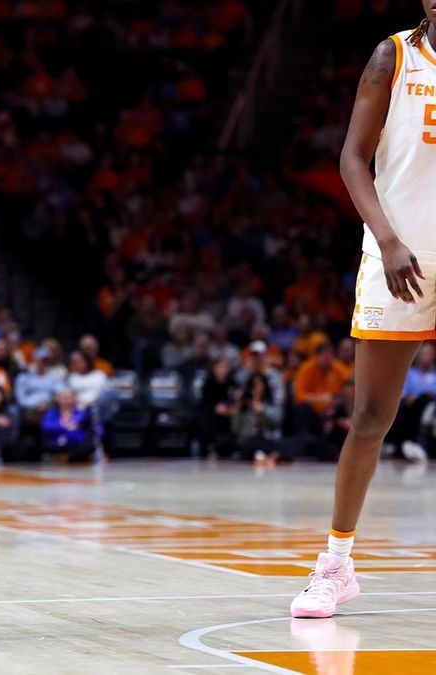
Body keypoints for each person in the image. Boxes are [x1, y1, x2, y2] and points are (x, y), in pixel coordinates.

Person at [291, 7, 436, 619]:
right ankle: (335, 565)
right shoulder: (394, 56)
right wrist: (389, 240)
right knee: (371, 417)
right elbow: (352, 158)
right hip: (399, 254)